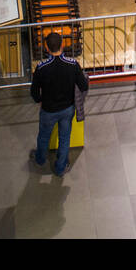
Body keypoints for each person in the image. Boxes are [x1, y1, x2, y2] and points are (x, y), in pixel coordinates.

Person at [30, 32, 89, 177]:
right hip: (67, 109)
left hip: (48, 110)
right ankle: (60, 167)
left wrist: (39, 100)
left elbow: (34, 91)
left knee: (43, 136)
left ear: (47, 48)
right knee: (64, 138)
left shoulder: (41, 67)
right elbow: (83, 85)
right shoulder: (73, 64)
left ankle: (40, 159)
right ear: (62, 45)